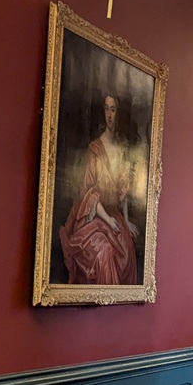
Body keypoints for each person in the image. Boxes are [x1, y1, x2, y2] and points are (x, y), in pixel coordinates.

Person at [57, 93, 140, 285]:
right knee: (105, 252)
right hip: (92, 214)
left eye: (113, 109)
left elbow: (123, 191)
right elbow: (90, 193)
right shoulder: (95, 148)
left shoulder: (122, 150)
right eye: (106, 109)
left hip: (113, 214)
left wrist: (126, 221)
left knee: (126, 246)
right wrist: (109, 222)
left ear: (118, 113)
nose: (109, 115)